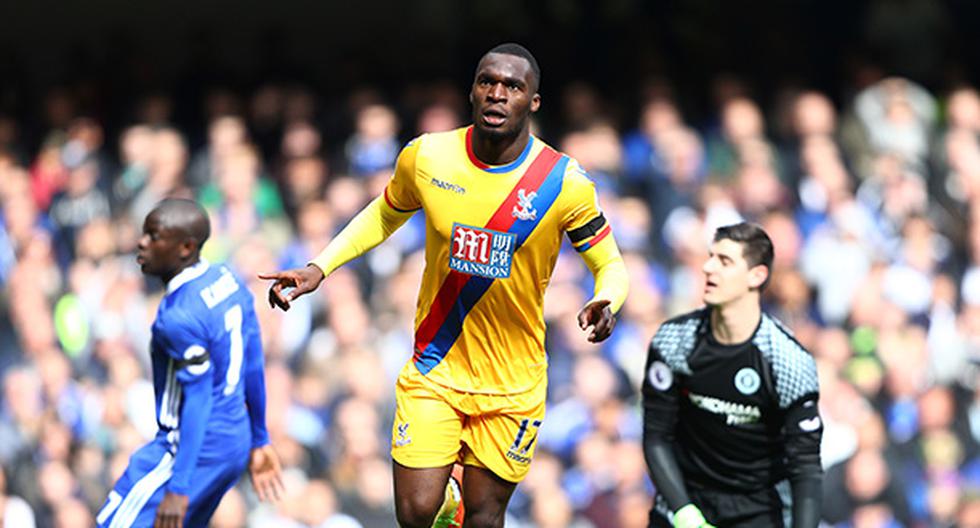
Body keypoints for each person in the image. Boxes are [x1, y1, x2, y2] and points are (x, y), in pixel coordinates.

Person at [260, 43, 629, 528]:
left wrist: (607, 299)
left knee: (483, 517)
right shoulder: (428, 156)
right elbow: (384, 213)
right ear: (472, 91)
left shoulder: (562, 182)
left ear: (533, 102)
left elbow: (611, 264)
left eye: (513, 87)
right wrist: (320, 266)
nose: (497, 95)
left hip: (512, 383)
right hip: (437, 365)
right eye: (487, 82)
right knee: (416, 513)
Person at [96, 198, 284, 528]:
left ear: (185, 247)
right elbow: (253, 361)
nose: (142, 243)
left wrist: (179, 485)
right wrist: (258, 438)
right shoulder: (227, 279)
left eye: (154, 236)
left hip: (192, 450)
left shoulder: (177, 317)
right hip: (234, 442)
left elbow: (197, 397)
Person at [642, 222, 822, 528]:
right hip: (684, 503)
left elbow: (805, 467)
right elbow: (657, 435)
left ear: (757, 275)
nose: (708, 268)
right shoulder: (674, 341)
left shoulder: (788, 361)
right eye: (710, 257)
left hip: (757, 510)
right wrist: (686, 515)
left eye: (724, 261)